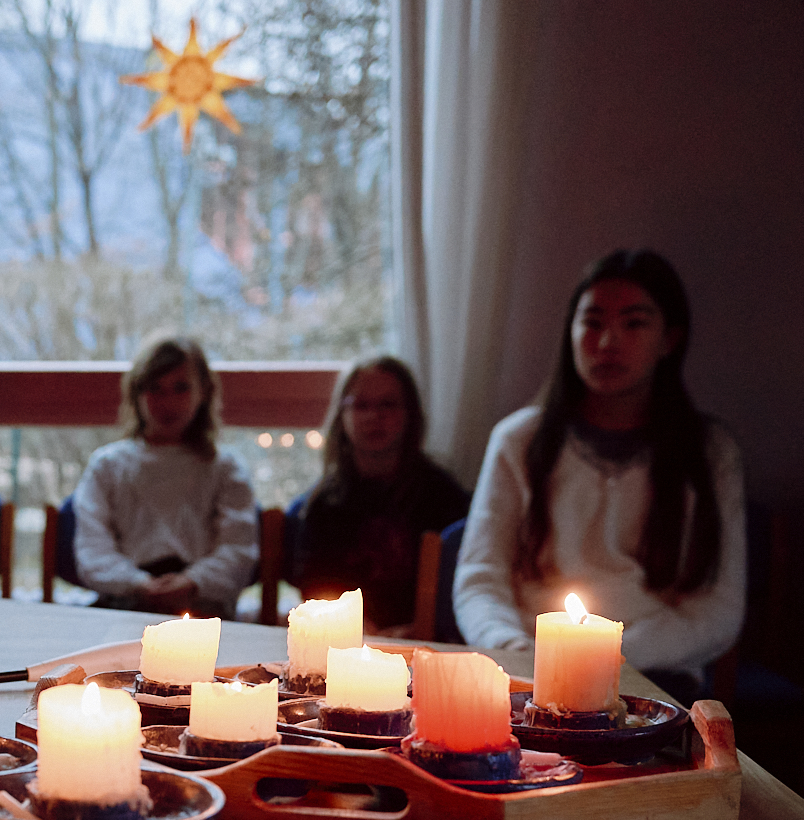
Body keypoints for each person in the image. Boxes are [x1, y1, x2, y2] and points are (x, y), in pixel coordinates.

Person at [453, 249, 745, 699]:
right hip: (528, 669)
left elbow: (718, 609)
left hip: (652, 677)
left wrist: (609, 654)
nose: (608, 342)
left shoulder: (709, 453)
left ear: (669, 338)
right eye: (592, 323)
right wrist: (515, 648)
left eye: (633, 323)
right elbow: (479, 578)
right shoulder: (519, 440)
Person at [71, 334, 257, 618]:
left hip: (202, 605)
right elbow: (92, 549)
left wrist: (192, 581)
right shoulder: (107, 465)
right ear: (136, 394)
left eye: (181, 388)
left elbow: (237, 550)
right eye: (155, 389)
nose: (167, 402)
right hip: (125, 603)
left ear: (203, 392)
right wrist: (138, 583)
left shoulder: (224, 467)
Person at [292, 356, 470, 635]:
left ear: (409, 413)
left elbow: (460, 594)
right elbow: (315, 585)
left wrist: (415, 630)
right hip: (343, 642)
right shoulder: (323, 503)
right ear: (342, 416)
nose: (375, 416)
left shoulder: (443, 497)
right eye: (361, 405)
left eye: (388, 404)